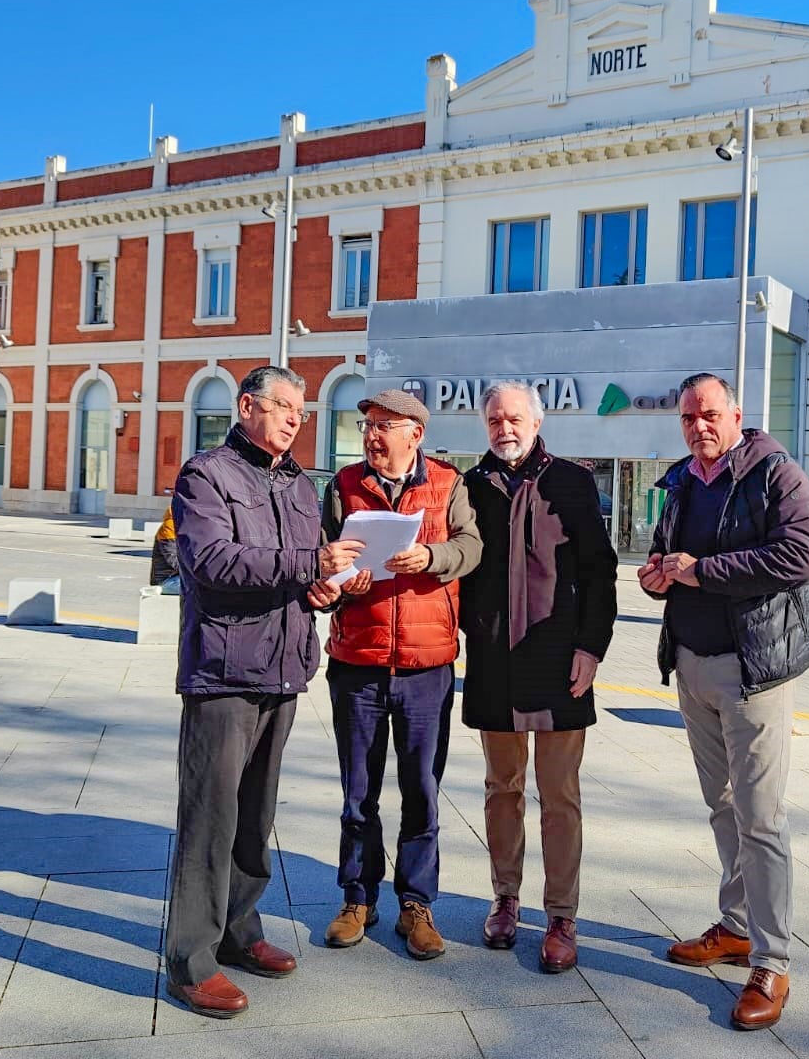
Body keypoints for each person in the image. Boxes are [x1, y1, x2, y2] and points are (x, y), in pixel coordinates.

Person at [164, 365, 363, 1019]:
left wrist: (323, 588)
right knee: (209, 820)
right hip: (223, 670)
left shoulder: (300, 484)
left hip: (284, 666)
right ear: (246, 405)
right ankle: (191, 960)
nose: (293, 420)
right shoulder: (206, 475)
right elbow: (211, 562)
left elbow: (297, 572)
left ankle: (240, 932)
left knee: (255, 818)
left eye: (300, 412)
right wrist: (310, 565)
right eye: (283, 407)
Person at [638, 372, 809, 1032]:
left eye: (709, 414)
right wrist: (657, 576)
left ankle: (772, 961)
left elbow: (800, 555)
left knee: (761, 817)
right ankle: (738, 927)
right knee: (722, 807)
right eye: (688, 417)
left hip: (754, 670)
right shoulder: (680, 480)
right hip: (691, 665)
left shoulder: (775, 473)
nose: (698, 427)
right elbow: (669, 560)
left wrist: (700, 570)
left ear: (736, 414)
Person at [460, 380, 617, 973]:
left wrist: (591, 649)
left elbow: (601, 573)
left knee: (559, 796)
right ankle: (505, 898)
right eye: (496, 418)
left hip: (559, 663)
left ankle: (561, 914)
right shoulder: (469, 486)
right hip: (494, 663)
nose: (505, 427)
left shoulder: (571, 482)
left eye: (515, 417)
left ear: (536, 420)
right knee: (502, 790)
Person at [319, 388, 482, 960]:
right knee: (358, 792)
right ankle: (357, 898)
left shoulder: (448, 482)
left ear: (415, 432)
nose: (372, 434)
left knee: (422, 789)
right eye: (367, 424)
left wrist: (433, 558)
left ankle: (417, 905)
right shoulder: (342, 486)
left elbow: (472, 546)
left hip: (426, 665)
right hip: (357, 663)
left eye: (385, 425)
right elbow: (324, 557)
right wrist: (341, 580)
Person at [150, 505, 179, 592]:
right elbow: (173, 560)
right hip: (166, 580)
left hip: (178, 577)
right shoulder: (169, 528)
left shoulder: (185, 527)